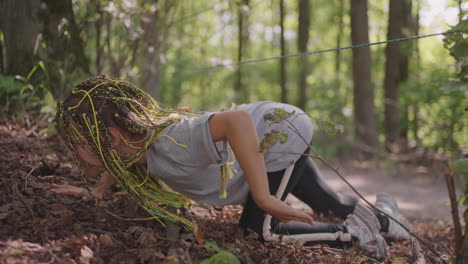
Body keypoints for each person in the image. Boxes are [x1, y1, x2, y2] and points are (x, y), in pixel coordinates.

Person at [51, 76, 409, 259]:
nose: (76, 153)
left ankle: (358, 237)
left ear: (111, 136)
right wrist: (96, 189)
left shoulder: (173, 138)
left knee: (259, 230)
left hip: (277, 134)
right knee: (327, 205)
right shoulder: (135, 148)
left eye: (78, 145)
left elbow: (236, 121)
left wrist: (263, 197)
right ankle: (385, 216)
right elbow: (119, 163)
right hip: (276, 132)